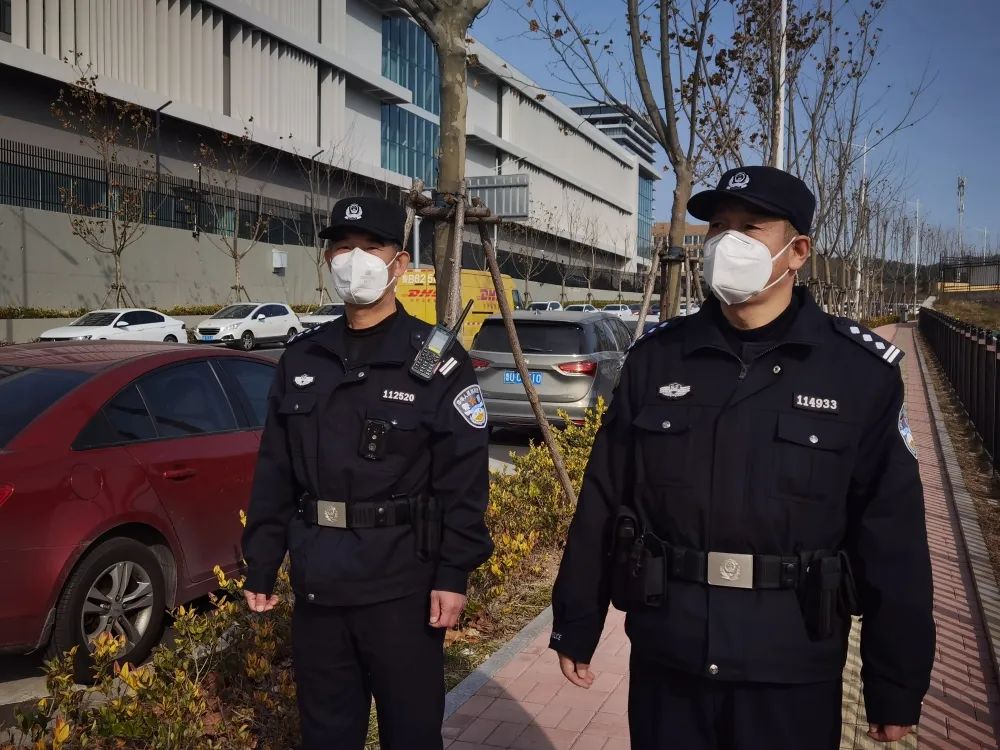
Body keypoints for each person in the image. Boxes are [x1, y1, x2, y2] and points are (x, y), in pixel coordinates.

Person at [549, 166, 934, 749]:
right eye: (718, 228)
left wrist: (895, 681)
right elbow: (604, 496)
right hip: (670, 654)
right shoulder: (658, 359)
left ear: (797, 251)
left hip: (790, 665)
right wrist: (577, 621)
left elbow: (893, 537)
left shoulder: (857, 373)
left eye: (750, 228)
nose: (727, 243)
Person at [241, 195, 494, 750]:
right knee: (326, 733)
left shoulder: (437, 360)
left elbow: (463, 478)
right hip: (320, 582)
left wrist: (454, 572)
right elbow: (276, 470)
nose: (354, 259)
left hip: (403, 584)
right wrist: (262, 561)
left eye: (370, 247)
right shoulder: (303, 358)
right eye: (343, 247)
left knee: (411, 733)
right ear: (327, 259)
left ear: (399, 263)